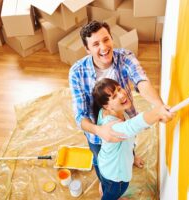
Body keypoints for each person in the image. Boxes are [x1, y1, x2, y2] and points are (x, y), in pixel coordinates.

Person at [68, 20, 173, 189]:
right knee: (99, 158)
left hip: (124, 118)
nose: (103, 47)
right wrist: (100, 131)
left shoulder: (125, 57)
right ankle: (105, 183)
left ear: (111, 38)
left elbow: (141, 81)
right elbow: (80, 115)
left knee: (128, 142)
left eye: (106, 39)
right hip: (97, 131)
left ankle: (130, 158)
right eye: (95, 44)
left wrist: (159, 106)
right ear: (87, 49)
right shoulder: (76, 72)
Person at [92, 78, 173, 200]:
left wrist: (133, 157)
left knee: (107, 188)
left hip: (104, 166)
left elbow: (128, 136)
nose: (121, 94)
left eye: (119, 89)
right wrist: (157, 113)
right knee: (110, 196)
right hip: (115, 179)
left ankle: (105, 188)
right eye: (114, 96)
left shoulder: (106, 112)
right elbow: (132, 126)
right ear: (107, 106)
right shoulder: (112, 127)